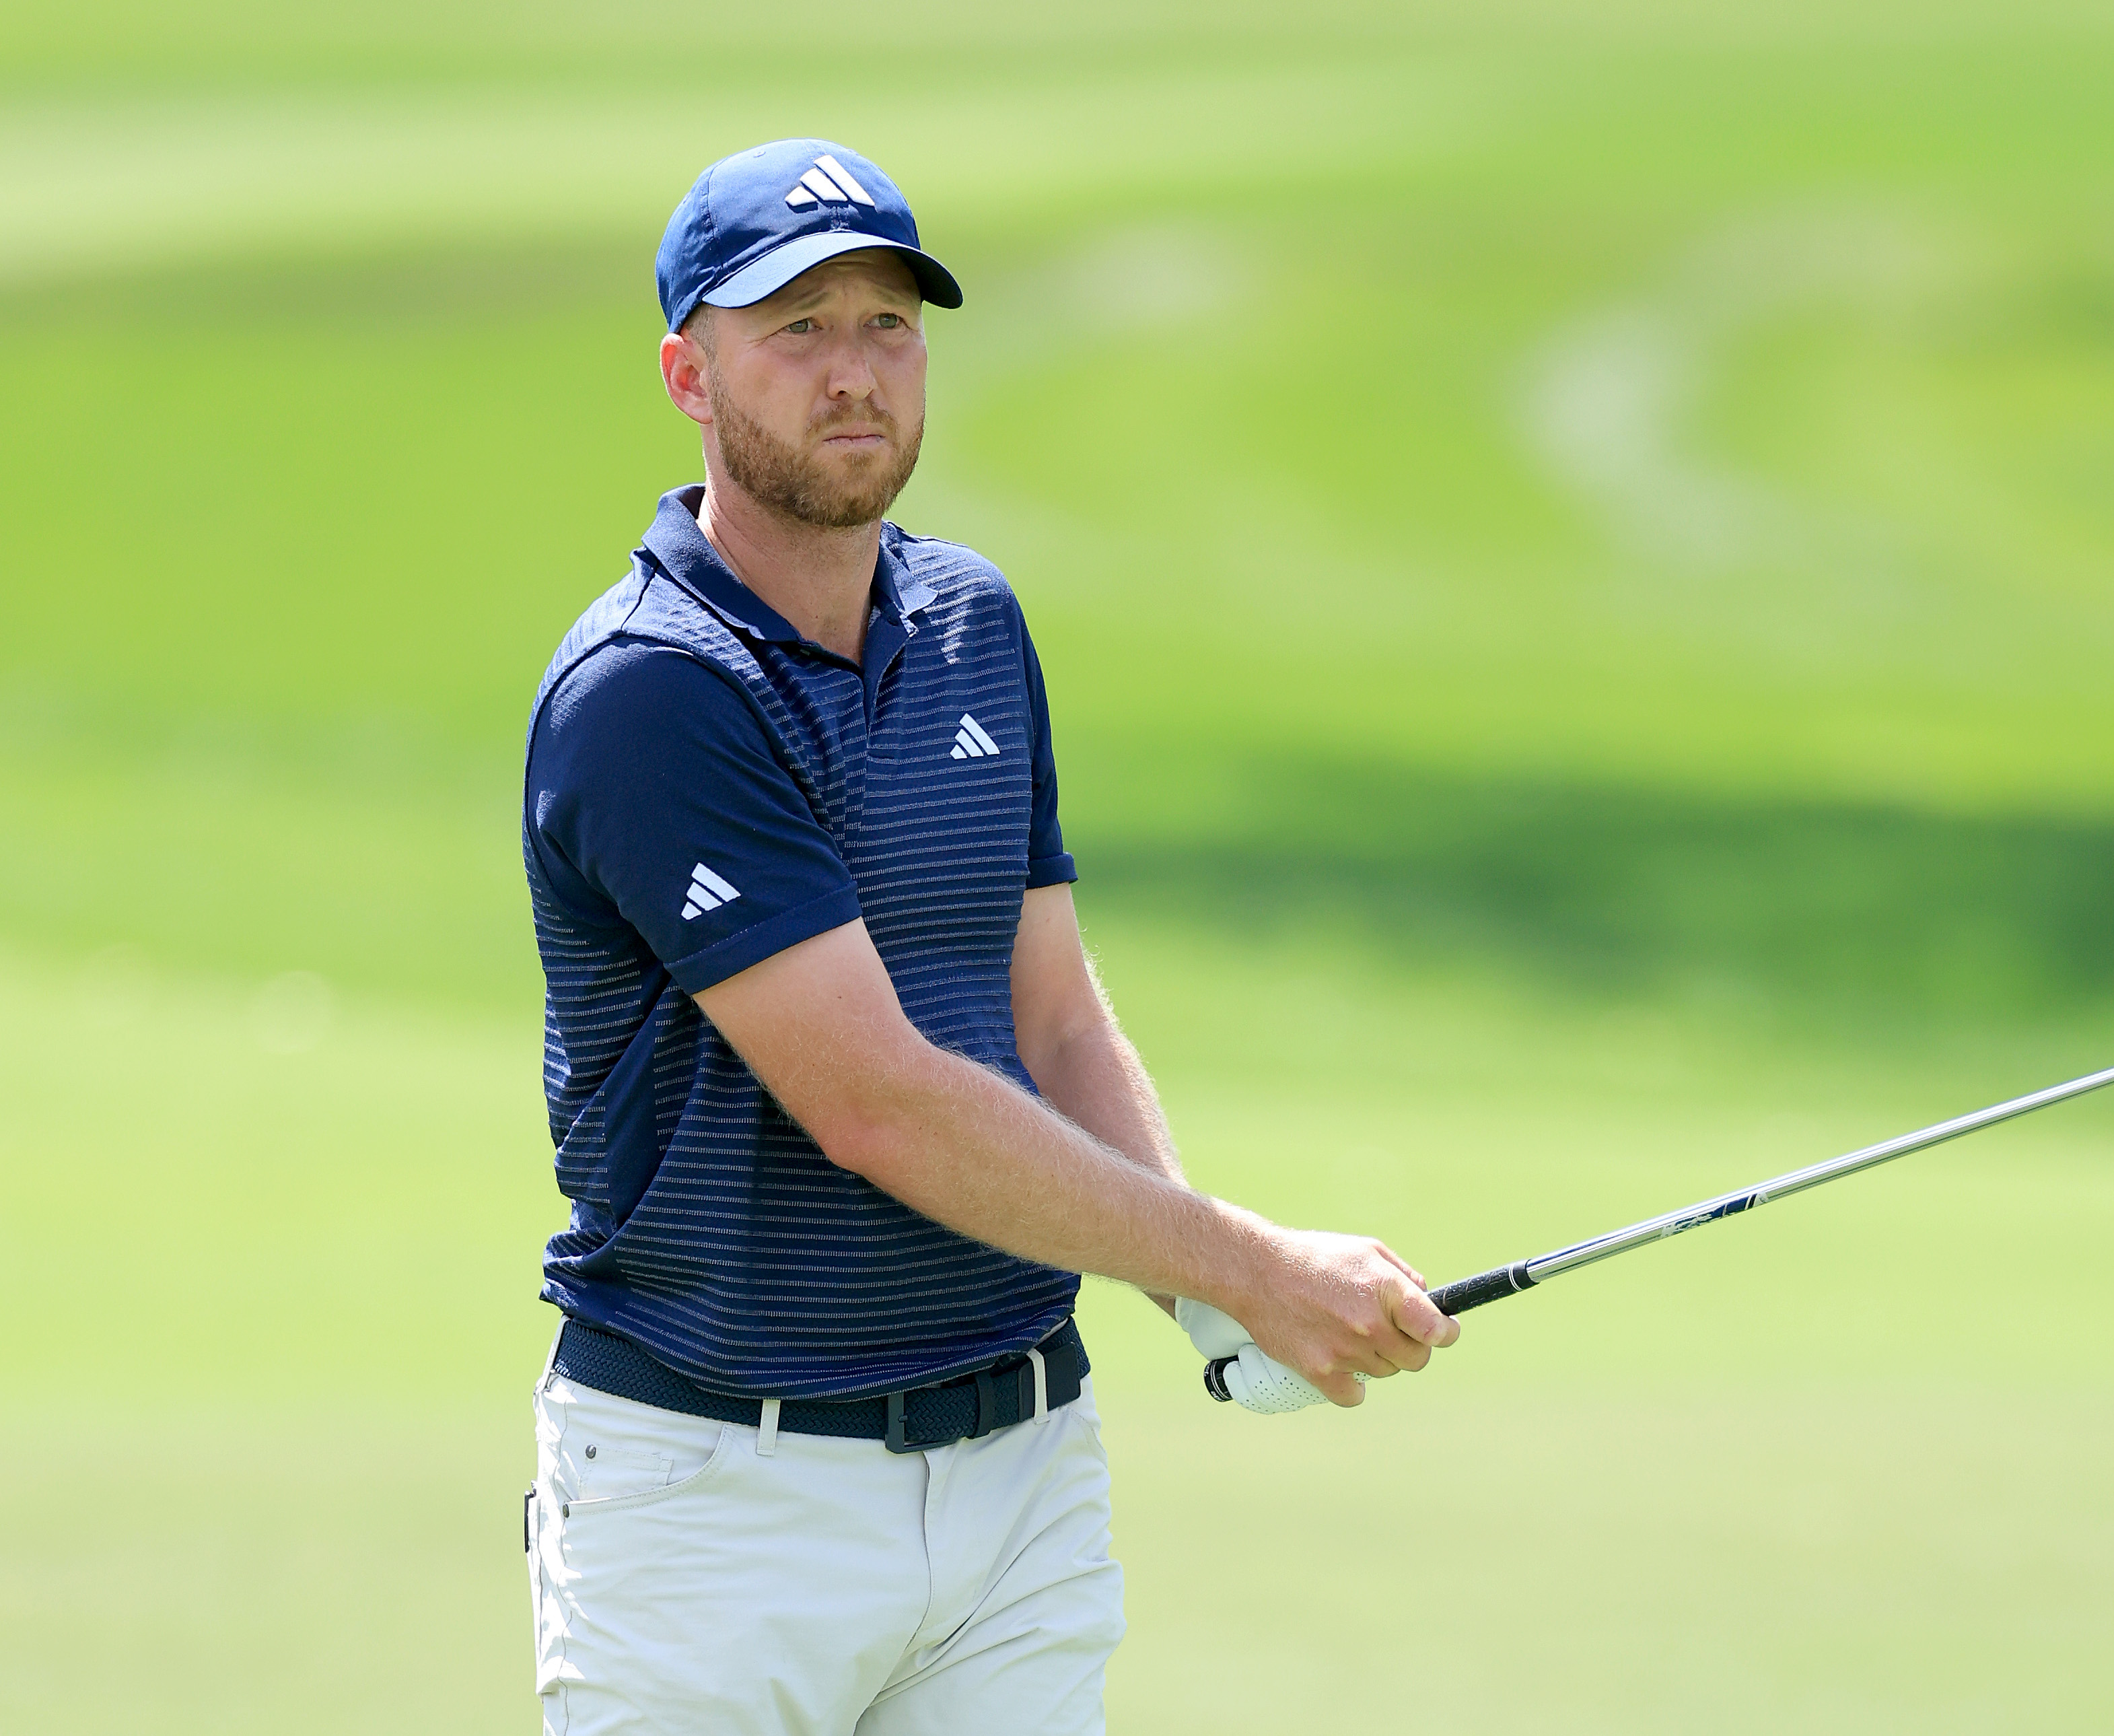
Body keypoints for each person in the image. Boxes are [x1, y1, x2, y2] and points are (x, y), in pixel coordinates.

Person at [518, 137, 1458, 1734]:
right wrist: (1248, 1258)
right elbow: (871, 1100)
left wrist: (1208, 1302)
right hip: (718, 1505)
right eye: (795, 330)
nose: (853, 374)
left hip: (1023, 1480)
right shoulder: (653, 693)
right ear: (689, 372)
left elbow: (1055, 1018)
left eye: (888, 324)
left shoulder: (972, 621)